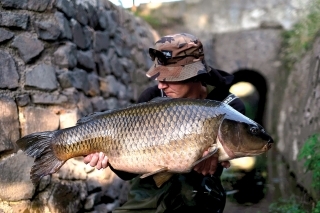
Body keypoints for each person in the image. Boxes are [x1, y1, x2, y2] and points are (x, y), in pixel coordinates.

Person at [84, 33, 245, 213]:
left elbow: (235, 150)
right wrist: (109, 158)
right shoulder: (151, 97)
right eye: (159, 77)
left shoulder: (229, 107)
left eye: (169, 78)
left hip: (200, 195)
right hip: (149, 194)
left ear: (195, 74)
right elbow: (127, 174)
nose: (161, 85)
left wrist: (215, 158)